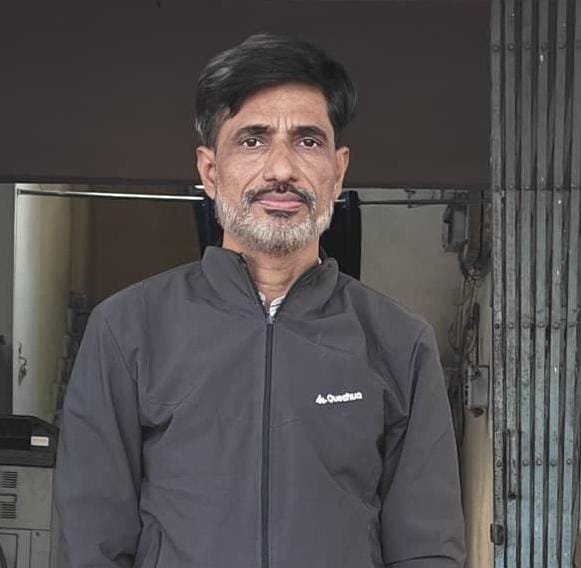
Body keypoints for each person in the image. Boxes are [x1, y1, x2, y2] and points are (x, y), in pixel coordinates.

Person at [55, 33, 465, 567]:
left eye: (308, 141)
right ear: (210, 171)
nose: (281, 170)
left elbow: (427, 550)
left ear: (338, 170)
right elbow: (92, 541)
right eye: (252, 140)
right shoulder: (128, 329)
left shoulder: (399, 343)